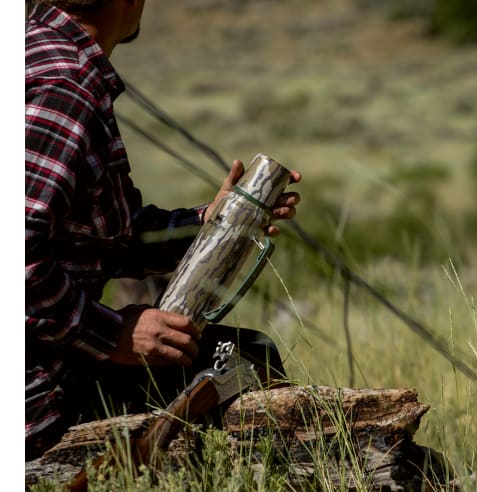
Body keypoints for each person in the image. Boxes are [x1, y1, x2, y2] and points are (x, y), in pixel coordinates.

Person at [25, 0, 302, 460]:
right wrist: (111, 334)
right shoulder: (63, 84)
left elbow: (108, 236)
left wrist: (212, 222)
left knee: (240, 355)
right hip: (39, 400)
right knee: (247, 359)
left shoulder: (39, 56)